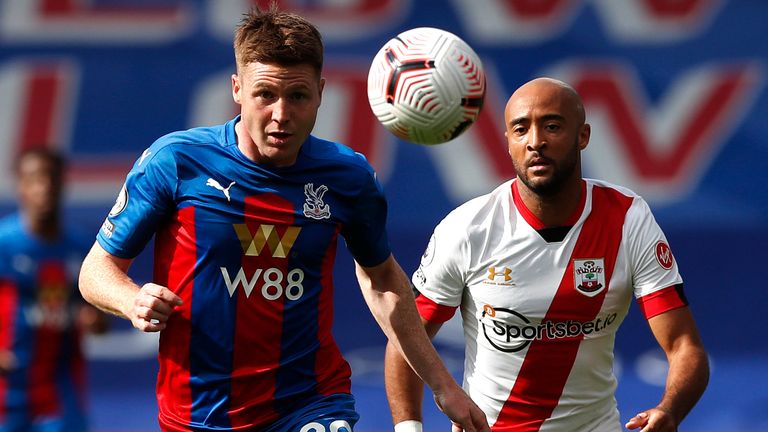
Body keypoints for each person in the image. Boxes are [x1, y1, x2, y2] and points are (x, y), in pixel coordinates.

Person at [77, 4, 489, 432]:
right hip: (200, 413)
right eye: (265, 95)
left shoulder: (348, 177)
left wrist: (443, 385)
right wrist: (131, 300)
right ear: (237, 89)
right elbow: (96, 271)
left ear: (320, 93)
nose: (281, 114)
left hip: (310, 403)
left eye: (297, 96)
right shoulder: (176, 161)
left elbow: (382, 280)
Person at [384, 77, 710, 432]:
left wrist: (671, 409)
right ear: (508, 143)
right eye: (520, 129)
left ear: (583, 136)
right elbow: (407, 340)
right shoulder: (468, 228)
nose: (535, 142)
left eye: (552, 126)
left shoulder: (627, 218)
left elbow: (683, 345)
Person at [0, 147, 107, 432]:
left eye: (51, 179)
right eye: (34, 179)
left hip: (60, 388)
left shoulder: (82, 247)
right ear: (20, 185)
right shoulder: (4, 244)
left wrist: (96, 319)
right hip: (7, 388)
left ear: (63, 183)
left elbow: (99, 317)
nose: (43, 187)